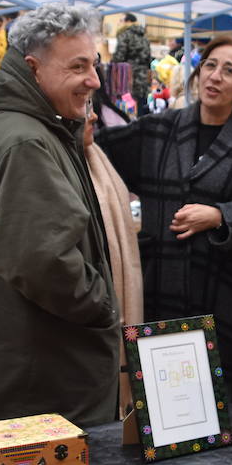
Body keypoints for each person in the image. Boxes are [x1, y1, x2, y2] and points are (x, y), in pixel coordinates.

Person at [0, 2, 118, 428]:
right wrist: (102, 304)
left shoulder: (14, 124)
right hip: (36, 378)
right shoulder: (26, 140)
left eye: (93, 65)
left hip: (19, 367)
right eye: (77, 67)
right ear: (33, 68)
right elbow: (42, 261)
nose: (93, 80)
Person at [95, 34, 232, 399]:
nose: (215, 77)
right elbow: (98, 146)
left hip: (227, 296)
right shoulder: (159, 129)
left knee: (220, 402)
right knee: (163, 399)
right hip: (164, 286)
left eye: (229, 71)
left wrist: (221, 215)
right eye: (210, 66)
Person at [82, 108, 143, 418]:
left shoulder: (95, 159)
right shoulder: (59, 160)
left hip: (97, 318)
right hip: (87, 324)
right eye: (84, 106)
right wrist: (103, 306)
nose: (93, 116)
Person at [112, 12, 152, 104]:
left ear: (128, 21)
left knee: (129, 107)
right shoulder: (144, 37)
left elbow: (119, 57)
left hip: (129, 77)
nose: (119, 23)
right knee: (141, 106)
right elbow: (149, 59)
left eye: (121, 20)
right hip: (143, 78)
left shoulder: (125, 35)